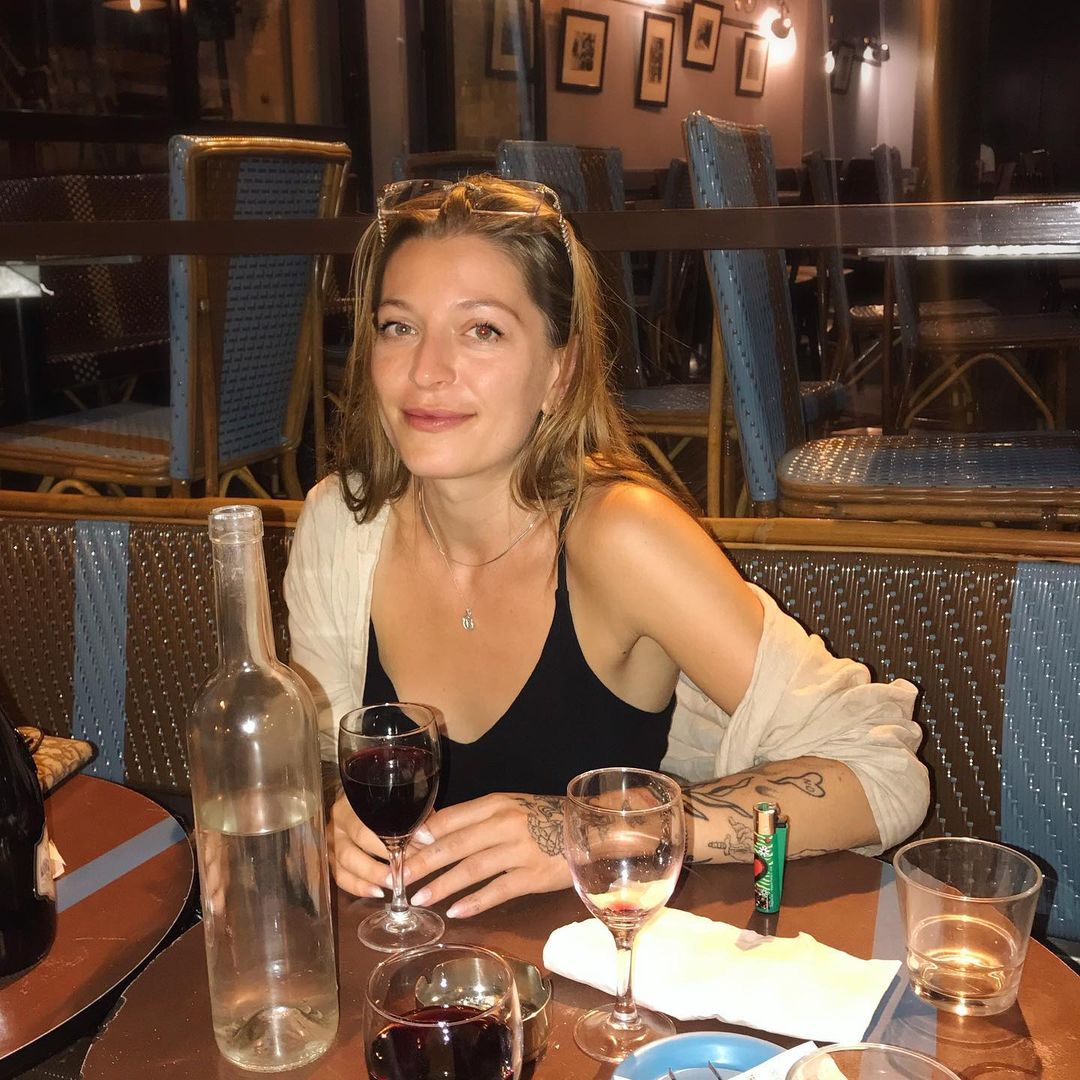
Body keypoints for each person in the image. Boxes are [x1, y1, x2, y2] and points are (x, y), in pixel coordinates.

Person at [285, 175, 929, 920]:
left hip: (610, 973)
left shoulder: (622, 536)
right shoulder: (341, 524)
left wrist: (592, 827)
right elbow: (322, 758)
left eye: (482, 330)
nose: (426, 370)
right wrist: (332, 813)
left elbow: (881, 772)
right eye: (399, 326)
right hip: (420, 968)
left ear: (558, 371)